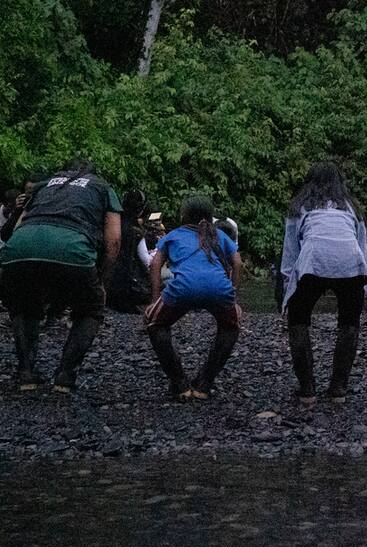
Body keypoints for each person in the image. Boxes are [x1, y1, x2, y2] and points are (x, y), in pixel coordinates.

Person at [0, 160, 120, 392]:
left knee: (24, 306)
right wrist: (102, 280)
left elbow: (18, 226)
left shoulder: (42, 186)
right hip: (73, 249)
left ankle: (26, 372)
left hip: (21, 247)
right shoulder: (102, 187)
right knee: (91, 309)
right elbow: (114, 241)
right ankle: (65, 375)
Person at [280, 161, 367, 403]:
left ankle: (307, 388)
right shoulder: (351, 207)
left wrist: (287, 292)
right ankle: (338, 387)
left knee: (298, 321)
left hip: (313, 261)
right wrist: (366, 290)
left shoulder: (300, 207)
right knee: (349, 323)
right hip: (351, 262)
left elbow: (290, 254)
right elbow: (362, 247)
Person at [145, 196, 242, 400]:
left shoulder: (173, 235)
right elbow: (237, 263)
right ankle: (204, 383)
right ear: (210, 217)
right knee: (230, 328)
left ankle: (179, 382)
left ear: (183, 216)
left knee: (155, 325)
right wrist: (233, 294)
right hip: (219, 289)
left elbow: (155, 265)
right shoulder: (219, 235)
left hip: (183, 288)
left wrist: (155, 298)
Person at [107, 189, 153, 314]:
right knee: (168, 275)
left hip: (108, 282)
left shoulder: (112, 224)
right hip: (129, 287)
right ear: (141, 210)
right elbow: (146, 261)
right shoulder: (135, 231)